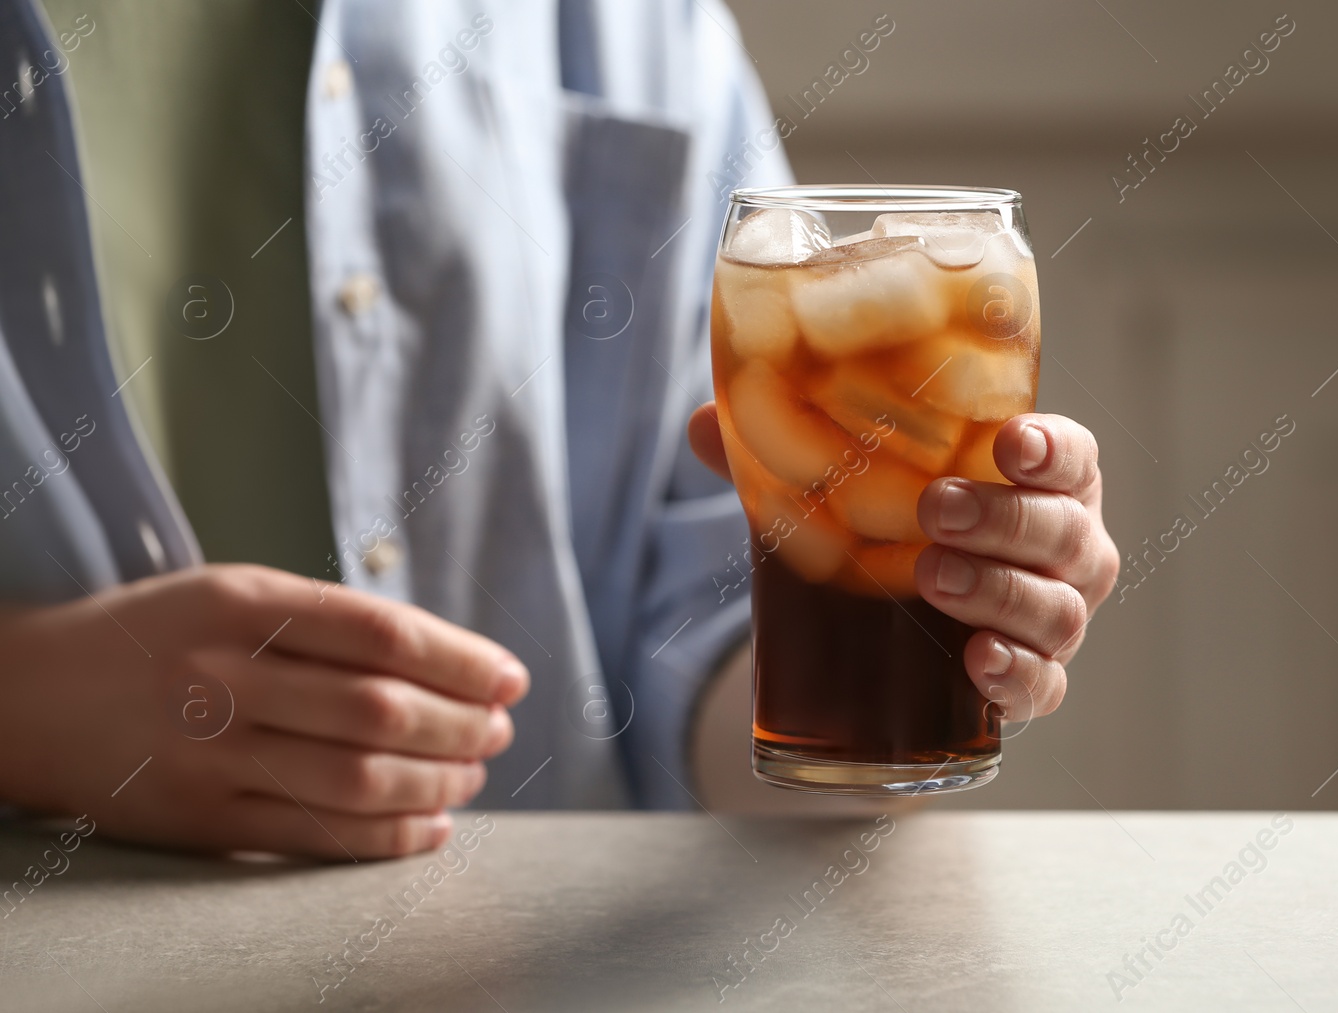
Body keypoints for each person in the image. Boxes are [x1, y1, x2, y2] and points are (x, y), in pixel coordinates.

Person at [0, 0, 1118, 859]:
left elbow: (709, 611)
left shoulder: (640, 25)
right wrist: (27, 708)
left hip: (526, 969)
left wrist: (925, 657)